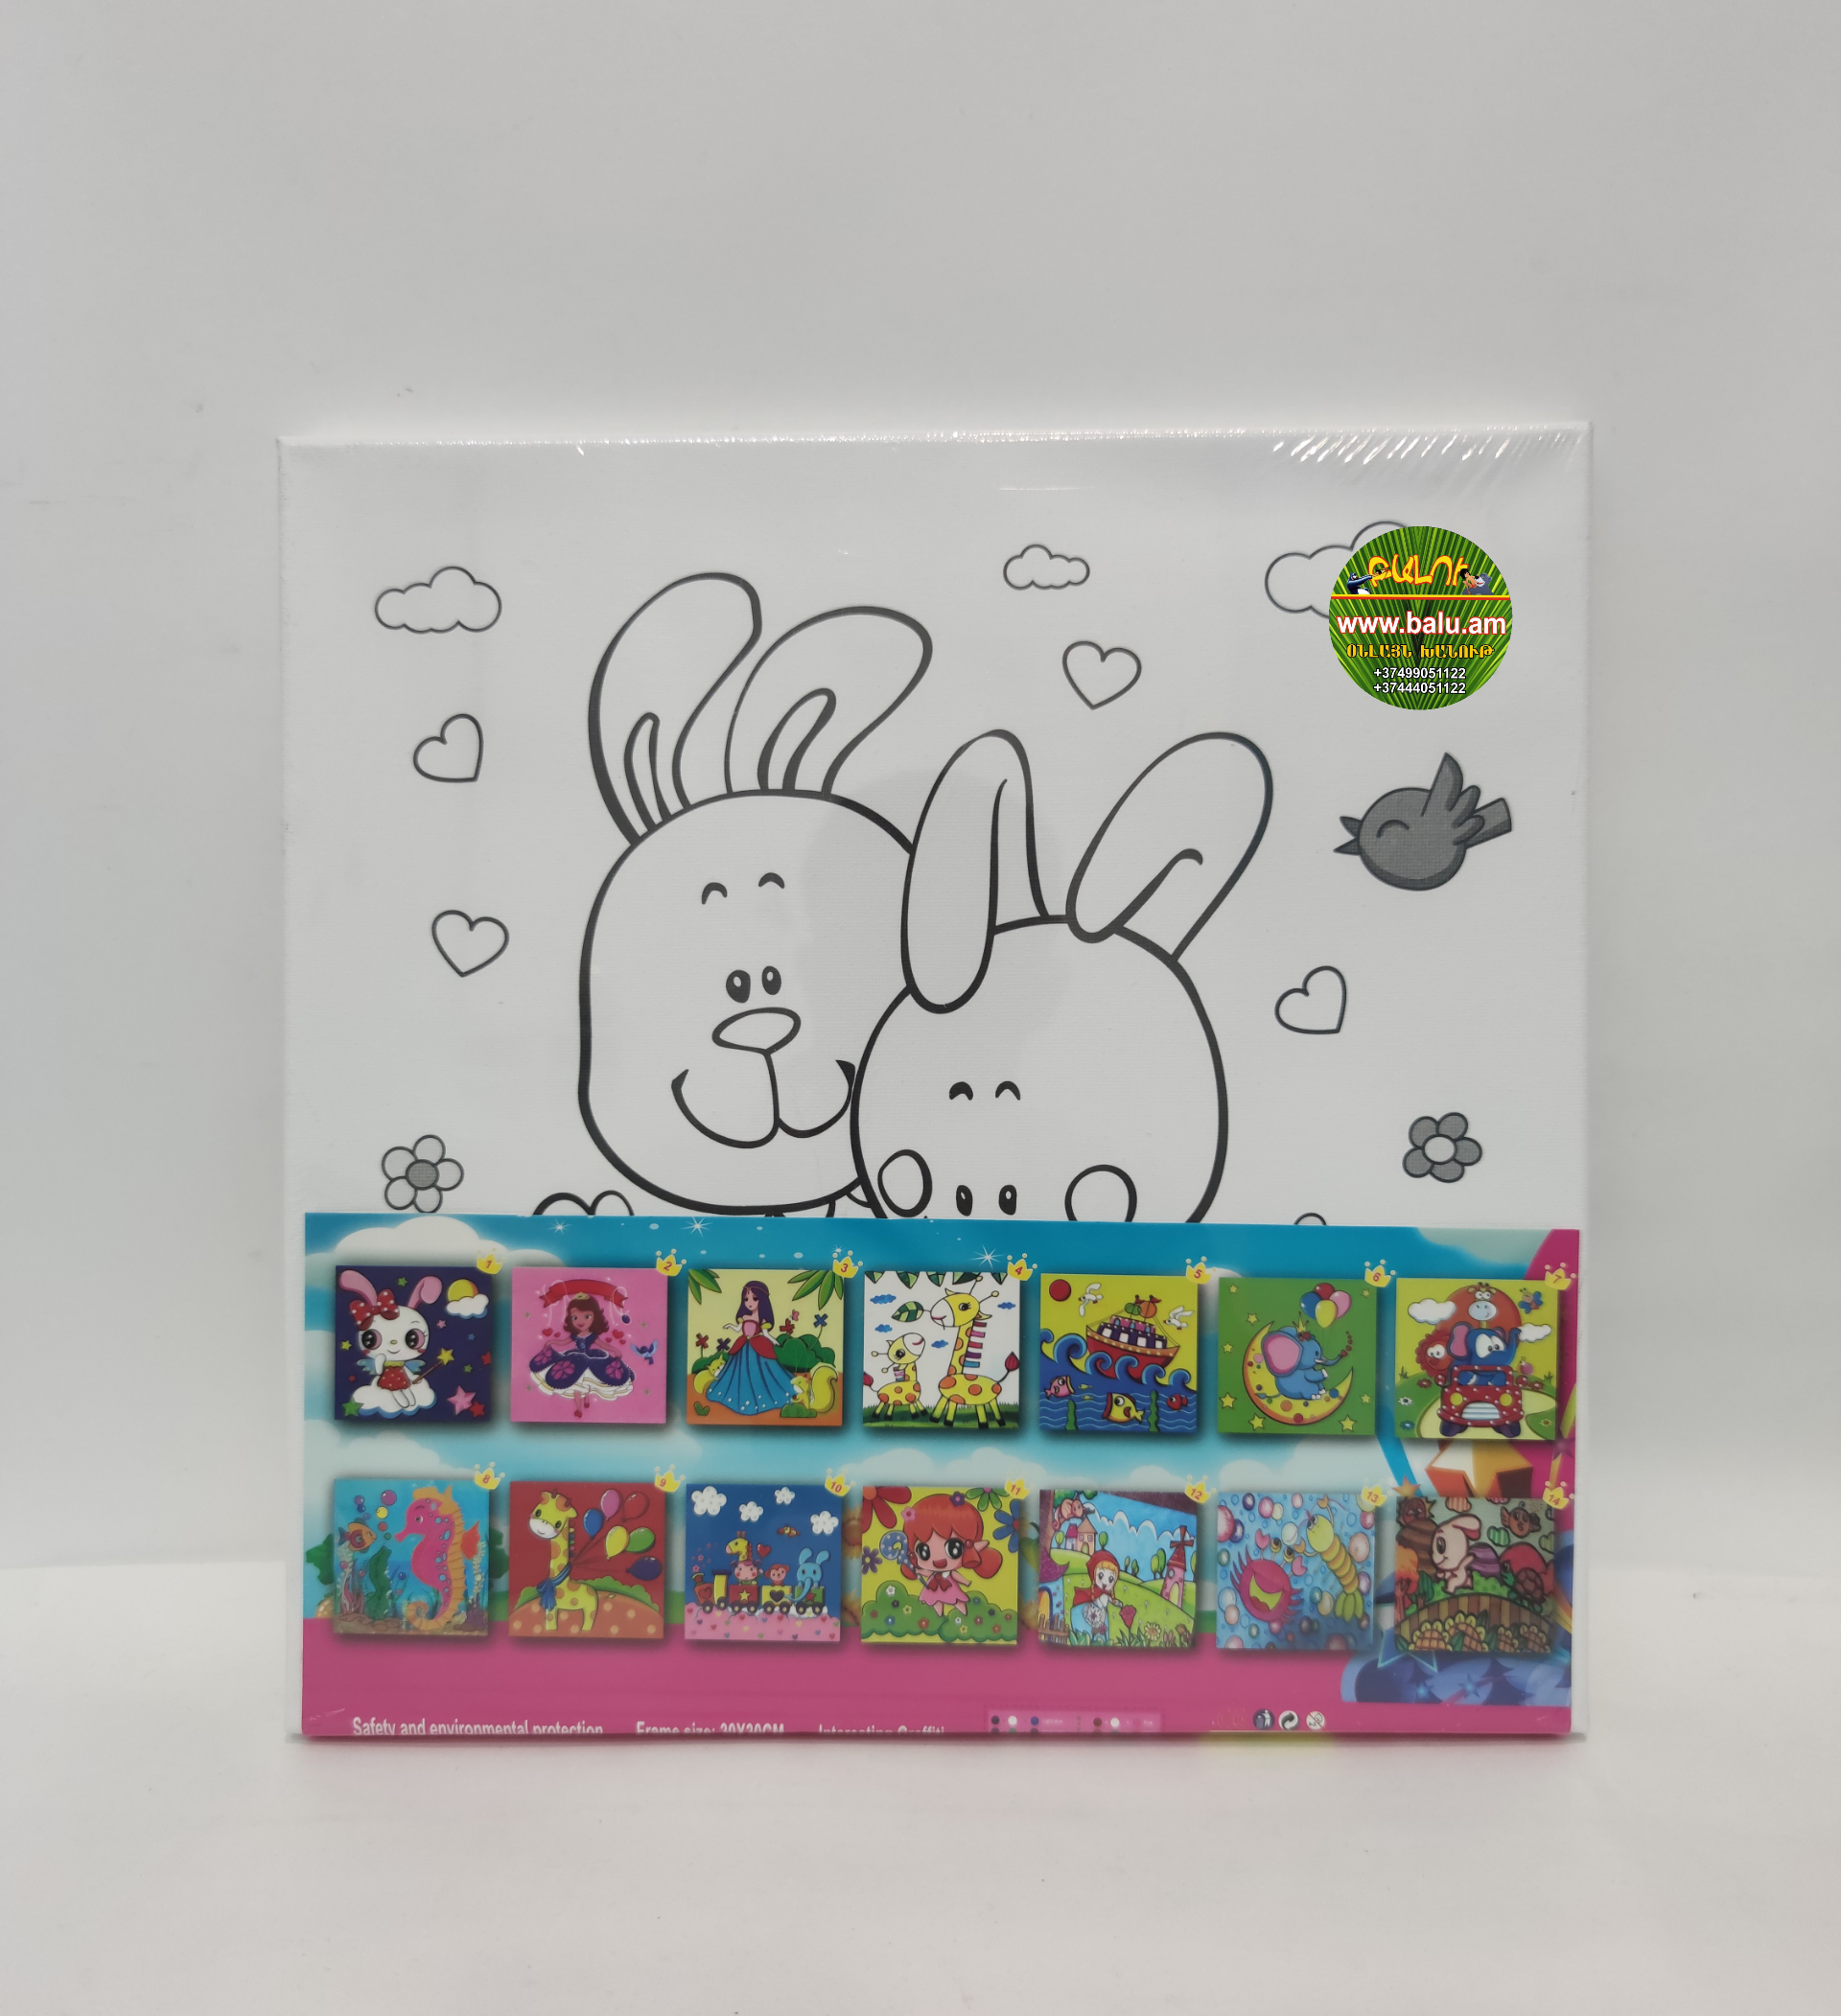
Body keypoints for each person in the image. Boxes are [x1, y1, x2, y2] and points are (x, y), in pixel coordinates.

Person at [902, 1492, 1002, 1614]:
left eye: (953, 1548)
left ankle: (964, 1613)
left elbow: (955, 1576)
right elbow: (925, 1572)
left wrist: (966, 1582)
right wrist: (917, 1571)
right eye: (923, 1551)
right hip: (932, 1588)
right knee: (935, 1602)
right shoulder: (929, 1571)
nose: (938, 1560)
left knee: (957, 1600)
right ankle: (938, 1616)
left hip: (950, 1587)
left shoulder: (950, 1572)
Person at [706, 1279, 794, 1417]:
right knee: (739, 1372)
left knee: (763, 1371)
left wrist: (774, 1341)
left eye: (754, 1298)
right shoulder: (744, 1316)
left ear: (762, 1300)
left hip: (758, 1345)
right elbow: (738, 1329)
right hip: (743, 1346)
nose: (750, 1302)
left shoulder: (762, 1319)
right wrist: (730, 1326)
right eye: (746, 1299)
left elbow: (766, 1333)